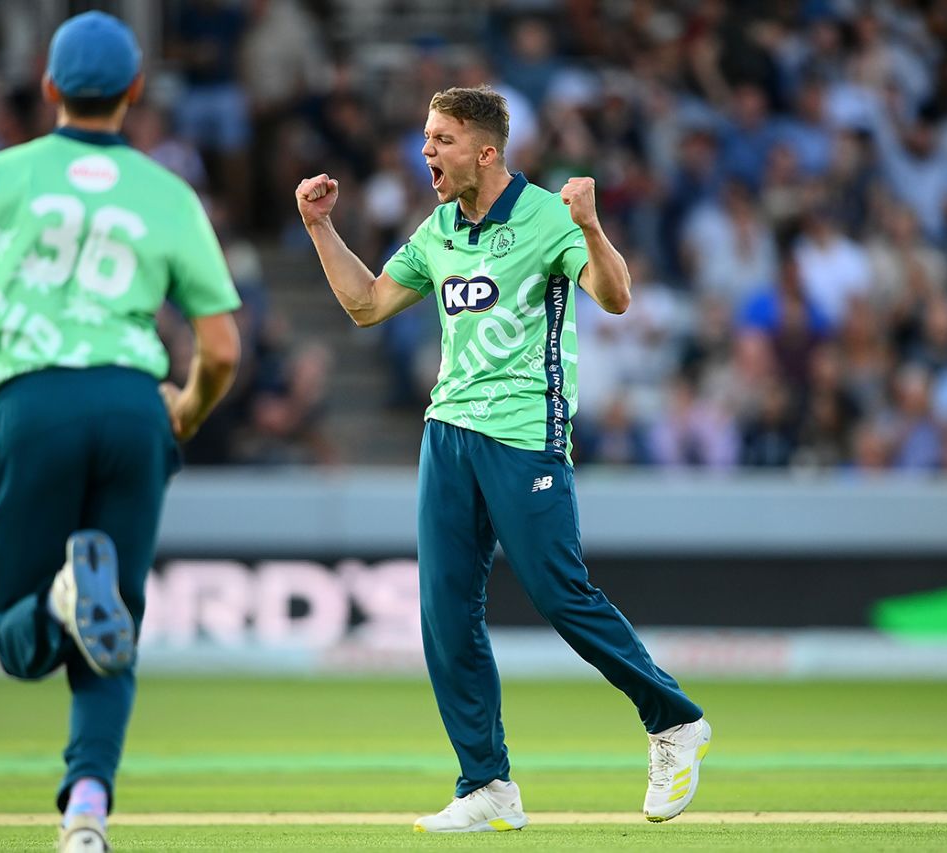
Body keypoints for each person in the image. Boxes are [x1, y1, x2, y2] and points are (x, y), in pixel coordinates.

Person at [295, 85, 708, 832]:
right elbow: (366, 304)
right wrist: (320, 228)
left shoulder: (550, 216)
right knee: (444, 612)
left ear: (485, 151)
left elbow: (614, 297)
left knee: (558, 592)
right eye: (425, 138)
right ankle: (486, 781)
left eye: (441, 140)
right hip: (447, 431)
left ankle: (674, 721)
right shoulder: (441, 228)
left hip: (525, 434)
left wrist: (591, 226)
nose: (426, 151)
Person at [0, 12, 241, 852]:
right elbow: (223, 349)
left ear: (49, 88)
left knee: (19, 640)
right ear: (134, 91)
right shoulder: (168, 192)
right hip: (133, 405)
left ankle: (58, 601)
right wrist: (186, 411)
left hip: (35, 404)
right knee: (114, 627)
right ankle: (85, 813)